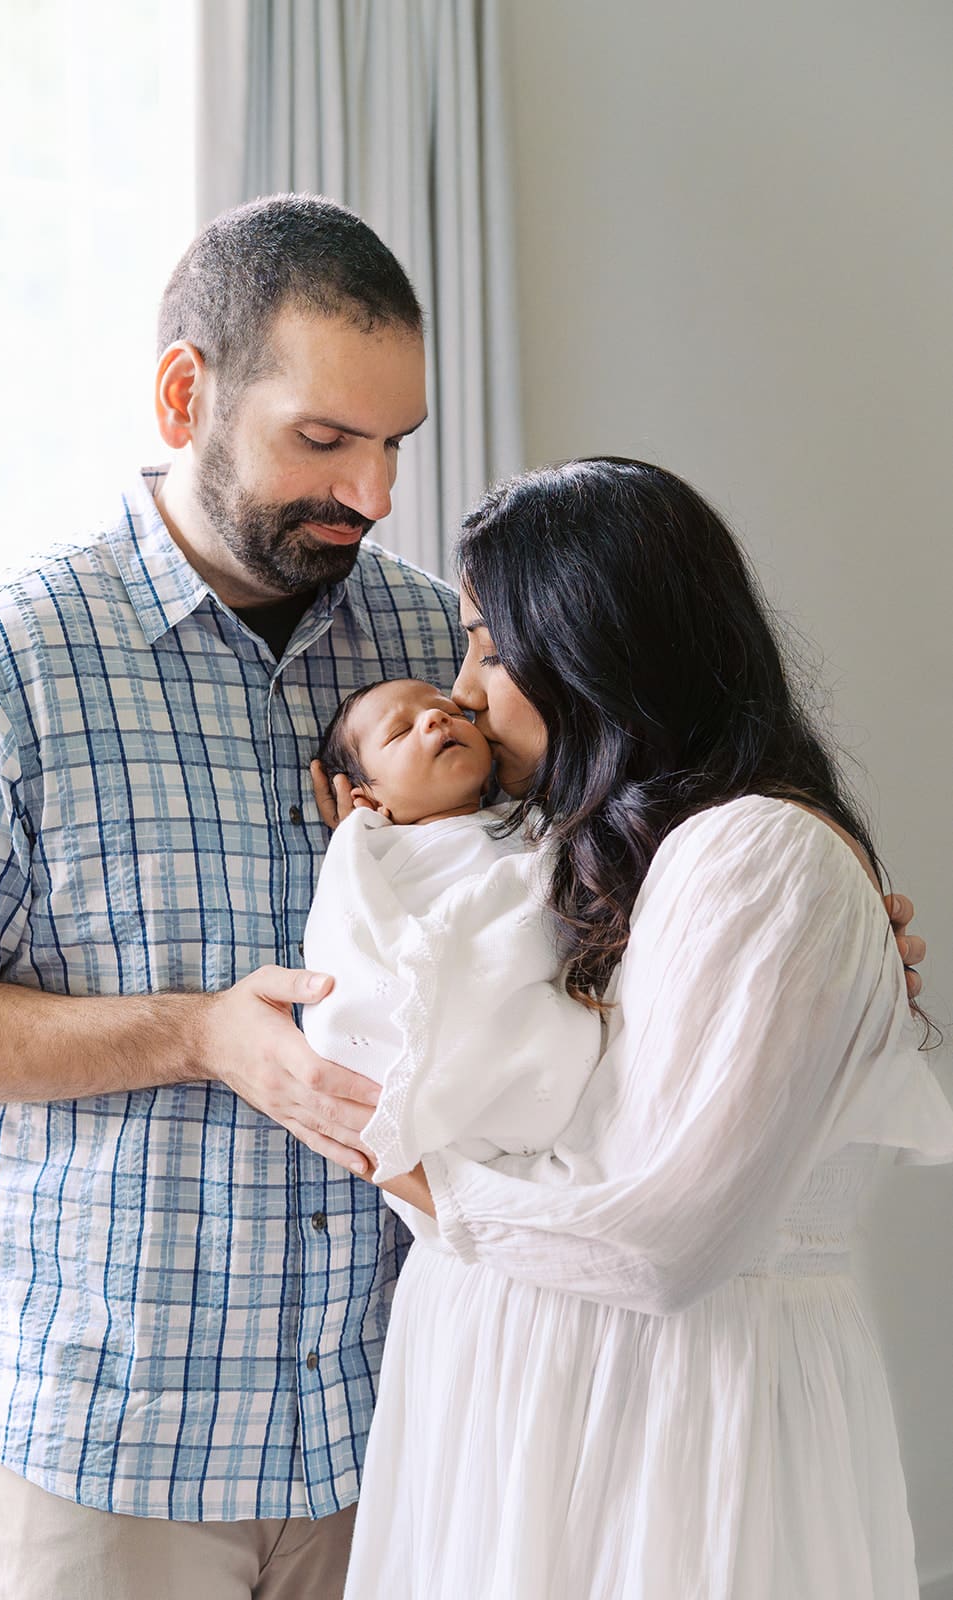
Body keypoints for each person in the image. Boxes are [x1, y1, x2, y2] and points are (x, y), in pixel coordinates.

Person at [0, 195, 466, 1600]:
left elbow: (577, 876)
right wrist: (194, 1034)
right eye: (324, 440)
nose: (373, 494)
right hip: (123, 1457)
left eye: (392, 444)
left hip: (406, 1422)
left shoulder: (439, 639)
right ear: (188, 394)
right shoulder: (2, 668)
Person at [318, 459, 953, 1600]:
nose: (463, 691)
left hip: (663, 1425)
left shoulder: (757, 854)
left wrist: (423, 1179)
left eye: (489, 647)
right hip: (539, 1416)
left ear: (596, 646)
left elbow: (663, 1240)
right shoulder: (602, 862)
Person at [302, 677, 601, 1183]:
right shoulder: (373, 857)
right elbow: (350, 945)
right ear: (368, 800)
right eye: (400, 732)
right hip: (446, 1034)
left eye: (450, 712)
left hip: (536, 1013)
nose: (437, 719)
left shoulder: (531, 822)